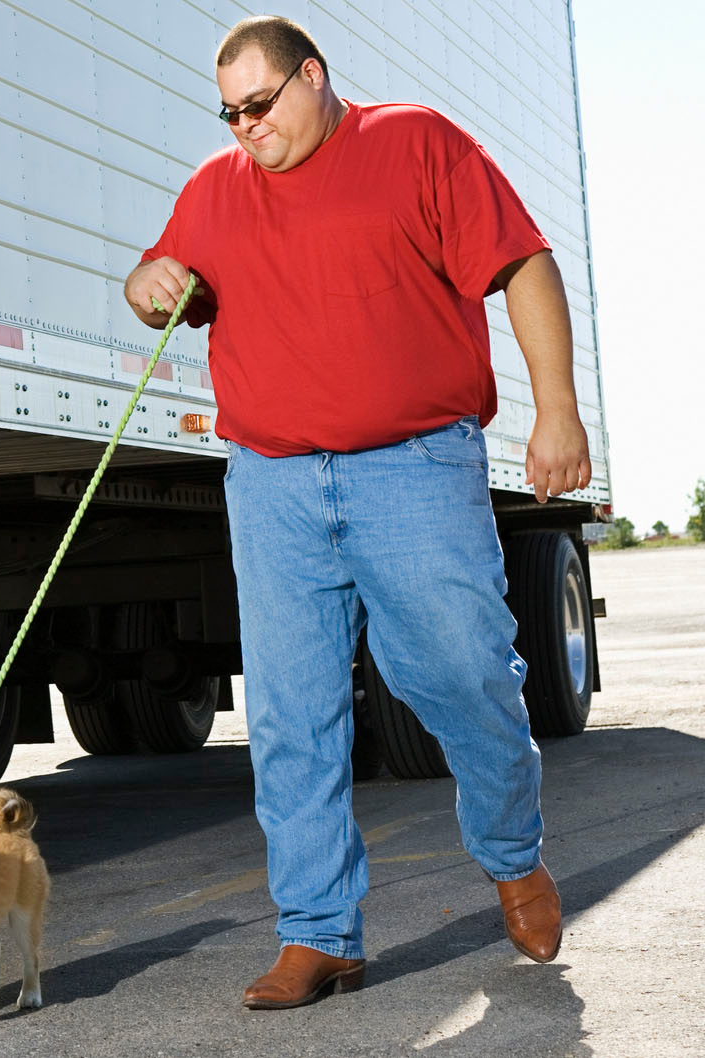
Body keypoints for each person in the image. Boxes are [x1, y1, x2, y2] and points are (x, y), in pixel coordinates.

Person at [124, 15, 591, 1010]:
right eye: (229, 111)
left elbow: (522, 264)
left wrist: (557, 409)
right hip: (274, 480)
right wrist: (146, 281)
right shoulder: (213, 189)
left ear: (314, 76)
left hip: (414, 465)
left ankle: (513, 854)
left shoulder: (414, 142)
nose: (245, 126)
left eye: (261, 103)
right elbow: (157, 281)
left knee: (460, 671)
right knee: (292, 711)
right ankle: (317, 932)